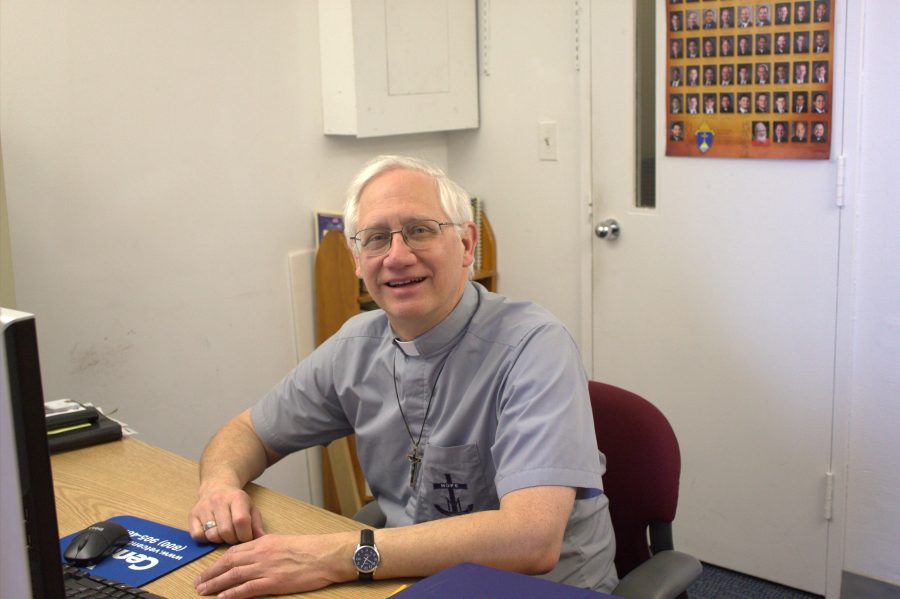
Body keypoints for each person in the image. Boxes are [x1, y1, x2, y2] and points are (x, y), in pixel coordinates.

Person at [187, 155, 619, 597]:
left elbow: (531, 540)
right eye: (375, 238)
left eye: (420, 230)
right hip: (406, 582)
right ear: (357, 260)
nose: (397, 256)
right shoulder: (355, 346)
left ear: (468, 245)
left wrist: (337, 555)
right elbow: (249, 432)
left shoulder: (535, 345)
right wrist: (219, 487)